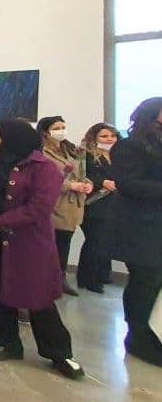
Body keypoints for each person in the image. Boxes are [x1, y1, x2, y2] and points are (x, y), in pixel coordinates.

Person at [0, 119, 84, 380]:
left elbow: (39, 208)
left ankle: (59, 352)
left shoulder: (43, 167)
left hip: (26, 243)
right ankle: (6, 341)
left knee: (38, 298)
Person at [103, 97, 162, 367]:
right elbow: (128, 184)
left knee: (154, 282)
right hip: (138, 226)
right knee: (144, 280)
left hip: (155, 223)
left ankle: (150, 332)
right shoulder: (129, 145)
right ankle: (137, 334)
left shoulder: (157, 142)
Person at [37, 116, 94, 296]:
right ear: (46, 131)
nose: (62, 130)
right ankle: (46, 281)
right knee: (50, 244)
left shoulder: (70, 150)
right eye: (57, 127)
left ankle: (60, 279)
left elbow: (81, 172)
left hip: (72, 204)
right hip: (54, 204)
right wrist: (69, 185)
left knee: (64, 243)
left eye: (63, 126)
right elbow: (43, 178)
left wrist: (87, 183)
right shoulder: (41, 152)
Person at [77, 123, 119, 293]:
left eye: (112, 136)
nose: (109, 139)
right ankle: (87, 278)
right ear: (94, 138)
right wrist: (102, 182)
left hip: (113, 205)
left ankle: (102, 274)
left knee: (104, 242)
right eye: (104, 136)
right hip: (93, 204)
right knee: (93, 241)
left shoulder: (119, 155)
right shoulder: (85, 154)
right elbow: (83, 175)